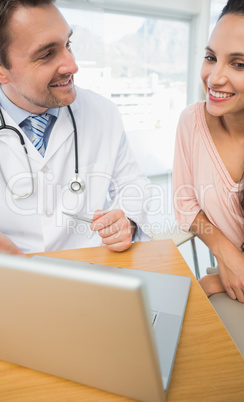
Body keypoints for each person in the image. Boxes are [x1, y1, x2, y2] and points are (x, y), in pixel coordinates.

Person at [0, 0, 152, 255]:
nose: (72, 65)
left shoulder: (102, 112)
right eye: (47, 54)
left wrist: (127, 219)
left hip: (92, 268)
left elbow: (132, 183)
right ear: (2, 71)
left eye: (67, 44)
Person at [173, 0, 244, 395]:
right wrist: (223, 249)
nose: (215, 76)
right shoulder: (192, 121)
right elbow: (185, 205)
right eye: (212, 57)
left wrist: (215, 282)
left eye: (239, 64)